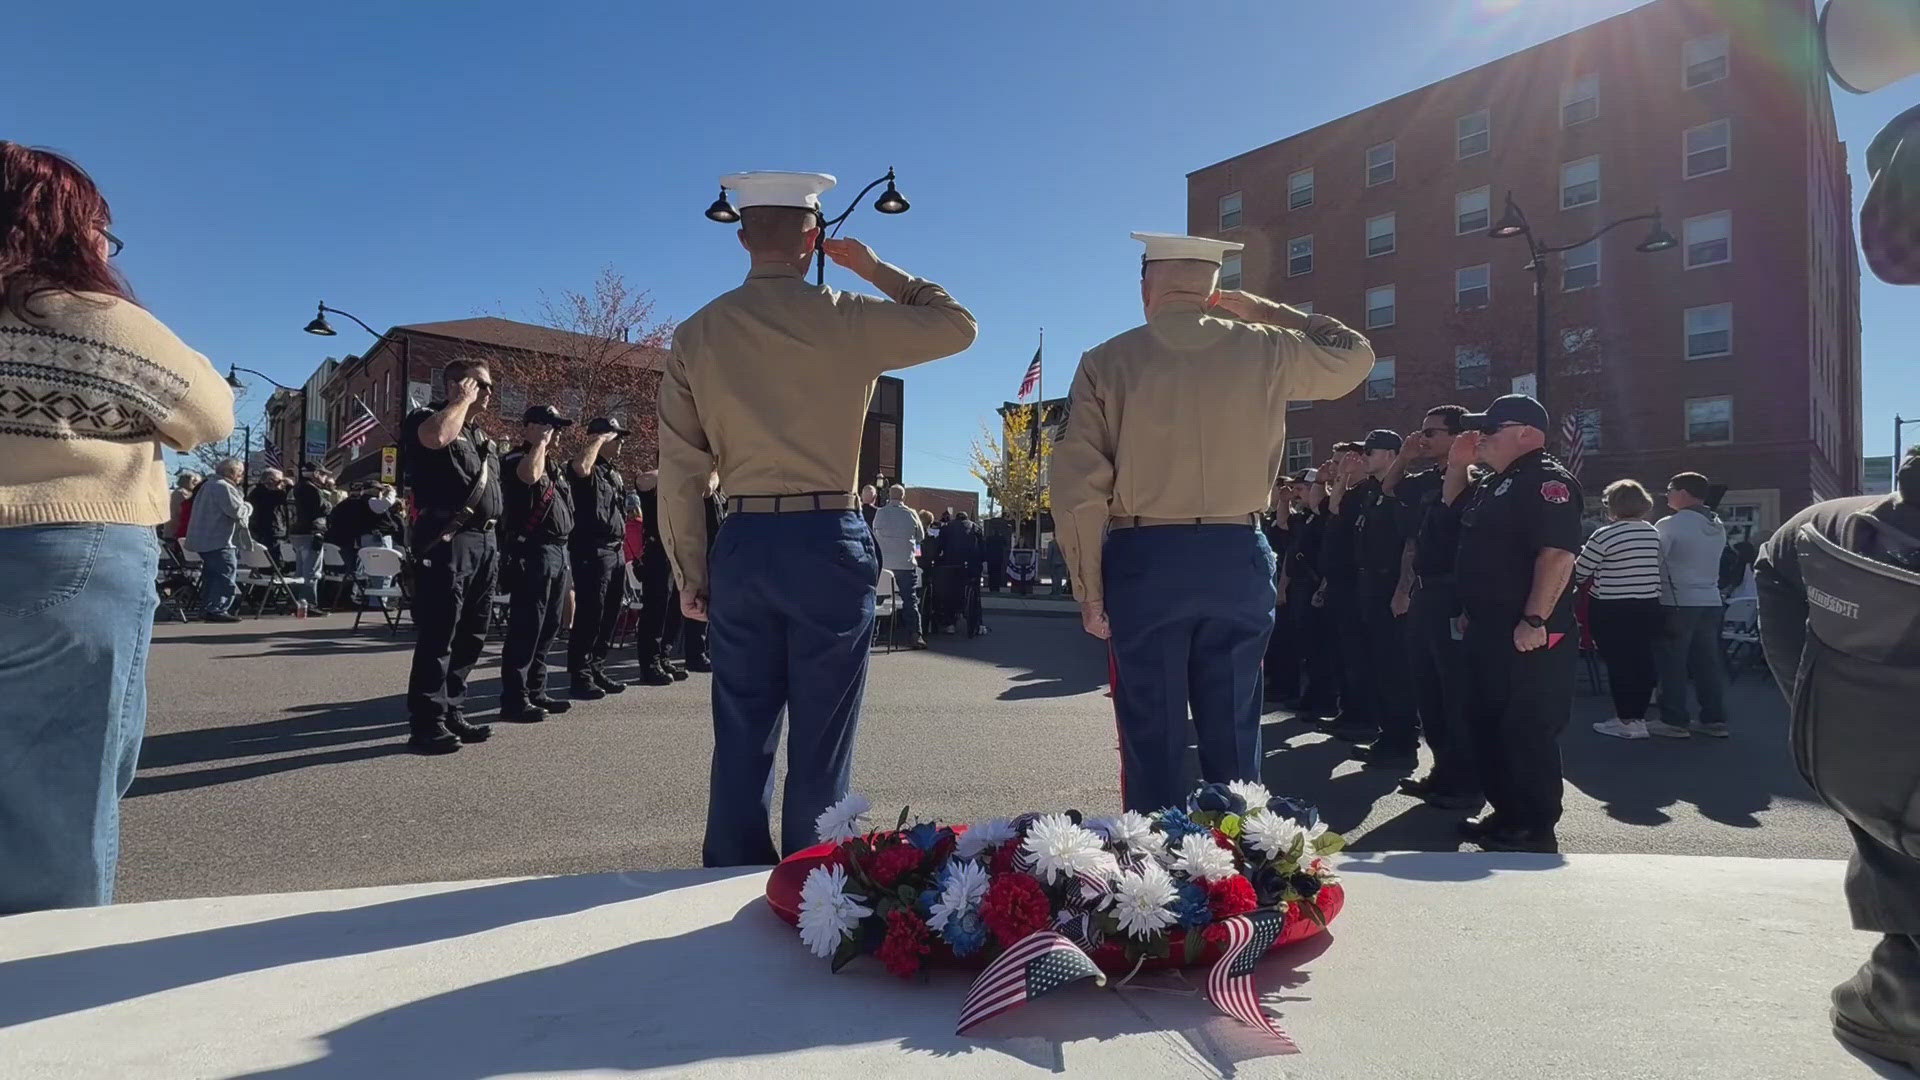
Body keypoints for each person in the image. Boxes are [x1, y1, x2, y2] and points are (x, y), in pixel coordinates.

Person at [657, 170, 976, 866]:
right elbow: (958, 326)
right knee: (825, 731)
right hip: (828, 531)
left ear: (741, 237)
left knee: (741, 726)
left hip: (742, 534)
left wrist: (690, 567)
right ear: (814, 240)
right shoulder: (844, 314)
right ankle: (812, 881)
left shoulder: (696, 334)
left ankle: (729, 871)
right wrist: (876, 267)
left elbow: (682, 470)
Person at [1053, 231, 1373, 814]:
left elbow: (1079, 487)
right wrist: (1270, 311)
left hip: (1144, 552)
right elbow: (1354, 356)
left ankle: (1153, 871)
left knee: (1152, 731)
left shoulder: (1107, 360)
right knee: (1233, 719)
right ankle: (1237, 869)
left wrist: (1088, 589)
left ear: (1147, 286)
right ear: (1215, 289)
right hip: (1235, 547)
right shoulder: (1267, 346)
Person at [0, 141, 234, 912]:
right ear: (64, 226)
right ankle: (37, 995)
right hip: (68, 545)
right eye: (100, 231)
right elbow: (209, 410)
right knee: (58, 792)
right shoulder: (86, 316)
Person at [1755, 446, 1920, 1070]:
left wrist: (1817, 705)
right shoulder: (1827, 529)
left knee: (1883, 779)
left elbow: (1775, 562)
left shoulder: (1828, 528)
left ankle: (1903, 991)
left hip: (1858, 740)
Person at [1449, 395, 1583, 854]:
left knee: (1526, 726)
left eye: (1491, 428)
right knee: (1487, 721)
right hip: (1488, 627)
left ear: (1527, 433)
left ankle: (1534, 822)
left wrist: (1534, 617)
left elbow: (1558, 553)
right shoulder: (1496, 483)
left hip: (1528, 630)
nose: (1480, 436)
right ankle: (1505, 812)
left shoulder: (1546, 481)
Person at [401, 357, 504, 754]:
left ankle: (453, 709)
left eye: (490, 386)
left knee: (472, 634)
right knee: (439, 633)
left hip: (485, 543)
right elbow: (435, 439)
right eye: (480, 384)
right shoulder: (429, 418)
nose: (488, 393)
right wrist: (459, 402)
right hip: (447, 540)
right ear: (456, 384)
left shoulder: (482, 439)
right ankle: (426, 723)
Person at [1389, 405, 1481, 809]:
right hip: (1425, 593)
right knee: (1427, 686)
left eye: (1431, 432)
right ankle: (1442, 770)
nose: (1422, 438)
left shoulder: (1478, 479)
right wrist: (1405, 457)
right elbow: (1390, 490)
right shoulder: (1426, 479)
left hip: (1454, 592)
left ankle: (1465, 779)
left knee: (1455, 689)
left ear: (1457, 437)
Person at [499, 405, 578, 723]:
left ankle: (537, 691)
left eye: (556, 428)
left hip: (558, 552)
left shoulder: (553, 466)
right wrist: (540, 444)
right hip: (532, 551)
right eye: (548, 426)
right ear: (529, 427)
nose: (554, 433)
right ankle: (514, 700)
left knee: (548, 628)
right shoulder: (518, 459)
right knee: (526, 627)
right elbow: (529, 477)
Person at [1346, 428, 1420, 768]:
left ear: (1391, 454)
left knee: (1396, 671)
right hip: (1369, 590)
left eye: (1371, 451)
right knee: (1380, 668)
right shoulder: (1371, 493)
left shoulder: (1400, 492)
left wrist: (1403, 590)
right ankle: (1387, 734)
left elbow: (1410, 543)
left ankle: (1402, 742)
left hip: (1391, 590)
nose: (1365, 457)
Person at [1576, 479, 1666, 740]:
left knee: (1619, 664)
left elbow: (1580, 572)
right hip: (1648, 603)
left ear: (1612, 505)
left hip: (1613, 605)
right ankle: (1637, 718)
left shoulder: (1605, 534)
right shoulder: (1652, 532)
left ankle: (1625, 719)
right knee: (1642, 661)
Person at [1650, 471, 1731, 738]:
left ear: (1683, 493)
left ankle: (1674, 719)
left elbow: (1656, 561)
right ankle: (1713, 719)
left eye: (1670, 489)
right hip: (1710, 599)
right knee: (1706, 662)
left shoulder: (1670, 524)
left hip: (1677, 600)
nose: (1667, 494)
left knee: (1672, 662)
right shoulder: (1716, 524)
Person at [566, 417, 631, 699]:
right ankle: (580, 675)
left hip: (614, 550)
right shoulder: (585, 464)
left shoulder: (612, 472)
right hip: (591, 549)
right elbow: (580, 468)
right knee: (590, 614)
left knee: (609, 614)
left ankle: (596, 666)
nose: (621, 443)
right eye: (616, 437)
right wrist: (598, 439)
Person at [1316, 442, 1369, 738]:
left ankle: (1361, 716)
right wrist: (1330, 480)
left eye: (1341, 461)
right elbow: (1325, 506)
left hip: (1354, 584)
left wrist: (1340, 479)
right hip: (1336, 583)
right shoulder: (1347, 489)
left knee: (1356, 656)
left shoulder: (1366, 491)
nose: (1337, 466)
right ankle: (1347, 710)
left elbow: (1335, 507)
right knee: (1341, 654)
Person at [1281, 469, 1340, 720]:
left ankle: (1324, 700)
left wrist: (1323, 587)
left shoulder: (1322, 516)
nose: (1296, 494)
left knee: (1319, 647)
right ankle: (1311, 696)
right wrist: (1284, 500)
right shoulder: (1304, 518)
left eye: (1301, 489)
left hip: (1315, 584)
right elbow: (1284, 524)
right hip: (1300, 585)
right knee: (1305, 645)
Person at [631, 470, 683, 686]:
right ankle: (649, 664)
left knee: (674, 608)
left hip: (676, 551)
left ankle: (664, 656)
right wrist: (671, 465)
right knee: (656, 609)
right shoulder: (654, 482)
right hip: (657, 551)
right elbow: (641, 481)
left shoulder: (680, 484)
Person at [186, 458, 252, 623]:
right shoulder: (223, 487)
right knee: (225, 574)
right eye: (240, 473)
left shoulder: (207, 485)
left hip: (206, 538)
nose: (241, 476)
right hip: (220, 539)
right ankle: (217, 608)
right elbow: (236, 511)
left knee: (211, 576)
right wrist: (249, 507)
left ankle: (208, 608)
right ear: (230, 472)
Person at [871, 483, 928, 648]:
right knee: (910, 600)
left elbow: (875, 533)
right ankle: (915, 635)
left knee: (877, 599)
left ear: (889, 496)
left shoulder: (880, 513)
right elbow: (920, 536)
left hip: (884, 566)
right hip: (906, 563)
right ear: (903, 497)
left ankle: (872, 635)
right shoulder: (911, 514)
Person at [287, 466, 330, 617]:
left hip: (297, 532)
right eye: (323, 474)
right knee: (312, 570)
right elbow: (323, 508)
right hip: (312, 531)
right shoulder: (312, 489)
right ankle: (308, 603)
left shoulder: (296, 488)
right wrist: (328, 501)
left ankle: (295, 602)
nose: (325, 478)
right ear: (316, 474)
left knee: (300, 570)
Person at [245, 467, 291, 555]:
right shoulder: (264, 493)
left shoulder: (255, 492)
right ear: (270, 480)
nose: (282, 484)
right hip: (272, 533)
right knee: (273, 562)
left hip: (262, 532)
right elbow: (279, 499)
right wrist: (289, 486)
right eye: (279, 480)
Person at [164, 471, 200, 543]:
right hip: (176, 531)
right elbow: (184, 511)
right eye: (194, 481)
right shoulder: (182, 494)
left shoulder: (178, 492)